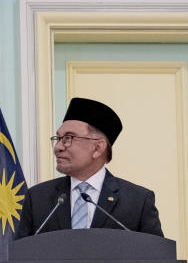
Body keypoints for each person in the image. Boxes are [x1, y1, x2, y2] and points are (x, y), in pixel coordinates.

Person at [15, 97, 163, 239]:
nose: (58, 147)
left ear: (98, 147)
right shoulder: (37, 198)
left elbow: (157, 259)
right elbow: (19, 257)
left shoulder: (137, 201)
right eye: (58, 138)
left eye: (68, 138)